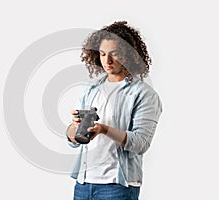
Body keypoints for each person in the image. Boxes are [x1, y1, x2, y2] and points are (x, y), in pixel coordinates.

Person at [66, 21, 162, 200]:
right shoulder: (91, 89)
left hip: (117, 187)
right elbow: (73, 140)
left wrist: (104, 129)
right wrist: (74, 128)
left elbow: (141, 143)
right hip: (84, 184)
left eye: (114, 54)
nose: (107, 61)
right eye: (102, 54)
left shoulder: (144, 94)